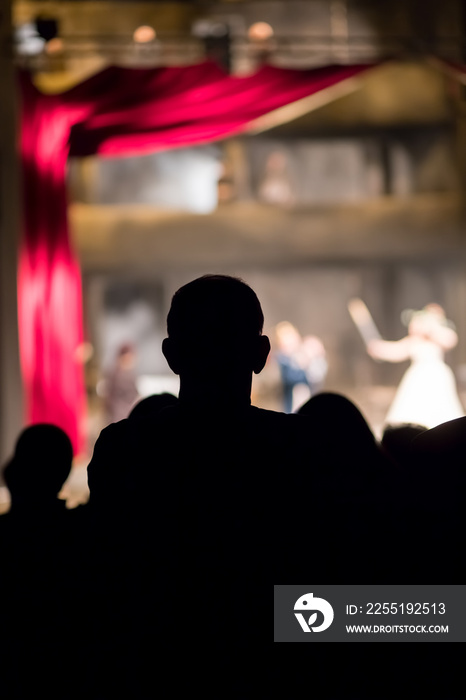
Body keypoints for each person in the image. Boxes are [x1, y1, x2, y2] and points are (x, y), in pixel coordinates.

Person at [366, 303, 464, 429]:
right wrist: (378, 348)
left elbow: (450, 340)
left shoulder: (442, 335)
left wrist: (430, 329)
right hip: (417, 375)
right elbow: (396, 351)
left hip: (436, 375)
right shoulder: (414, 340)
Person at [274, 321, 327, 412]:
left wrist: (317, 355)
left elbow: (318, 375)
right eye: (286, 339)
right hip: (292, 406)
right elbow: (292, 377)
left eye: (292, 337)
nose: (290, 342)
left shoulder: (302, 352)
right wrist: (304, 362)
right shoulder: (283, 358)